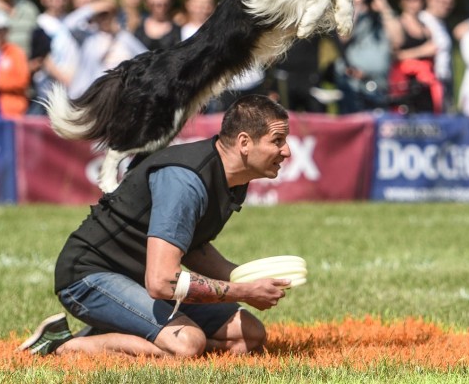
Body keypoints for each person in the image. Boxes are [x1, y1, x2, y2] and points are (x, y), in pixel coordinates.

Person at [19, 95, 293, 357]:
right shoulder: (185, 181)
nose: (287, 151)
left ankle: (122, 330)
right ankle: (62, 346)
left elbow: (193, 246)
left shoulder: (233, 180)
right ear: (244, 142)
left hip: (138, 280)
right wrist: (244, 292)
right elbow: (163, 282)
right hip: (89, 277)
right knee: (187, 345)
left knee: (250, 336)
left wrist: (244, 277)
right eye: (277, 140)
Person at [334, 0, 401, 113]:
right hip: (353, 85)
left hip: (379, 85)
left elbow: (398, 40)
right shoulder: (355, 15)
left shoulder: (388, 17)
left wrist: (382, 5)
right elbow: (343, 37)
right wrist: (357, 3)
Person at [67, 0, 149, 99]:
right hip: (88, 97)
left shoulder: (124, 37)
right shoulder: (88, 36)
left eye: (108, 14)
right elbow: (69, 24)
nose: (104, 18)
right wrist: (94, 7)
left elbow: (146, 57)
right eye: (101, 14)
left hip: (118, 98)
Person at [388, 0, 442, 113]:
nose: (413, 2)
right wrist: (422, 51)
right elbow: (393, 56)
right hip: (405, 86)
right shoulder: (397, 24)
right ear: (401, 1)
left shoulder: (426, 27)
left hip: (425, 84)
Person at [29, 0, 80, 114]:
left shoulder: (74, 22)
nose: (58, 2)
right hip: (47, 96)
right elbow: (43, 58)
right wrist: (64, 79)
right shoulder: (39, 24)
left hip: (73, 94)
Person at [419, 0, 457, 112]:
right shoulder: (421, 21)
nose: (445, 5)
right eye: (440, 0)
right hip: (426, 85)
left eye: (449, 1)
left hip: (444, 83)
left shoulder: (442, 24)